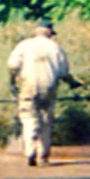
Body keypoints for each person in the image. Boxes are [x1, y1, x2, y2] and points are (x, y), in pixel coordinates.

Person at [7, 19, 80, 167]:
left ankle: (30, 153)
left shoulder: (24, 45)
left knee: (28, 118)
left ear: (37, 31)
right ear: (49, 32)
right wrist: (72, 83)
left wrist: (12, 81)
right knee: (45, 120)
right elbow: (63, 72)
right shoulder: (55, 47)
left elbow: (12, 65)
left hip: (28, 86)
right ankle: (43, 156)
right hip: (50, 87)